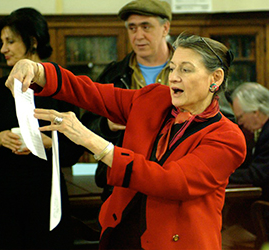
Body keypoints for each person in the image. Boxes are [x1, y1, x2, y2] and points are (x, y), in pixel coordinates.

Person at [5, 33, 246, 250]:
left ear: (215, 78)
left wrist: (93, 141)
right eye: (172, 68)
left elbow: (171, 182)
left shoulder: (227, 136)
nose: (173, 78)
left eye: (186, 70)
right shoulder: (154, 99)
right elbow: (93, 93)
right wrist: (38, 71)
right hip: (122, 236)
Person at [81, 0, 235, 201]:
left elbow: (223, 119)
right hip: (120, 185)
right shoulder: (114, 75)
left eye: (146, 27)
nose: (138, 36)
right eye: (132, 28)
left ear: (165, 28)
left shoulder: (199, 73)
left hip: (175, 183)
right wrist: (107, 125)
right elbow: (87, 125)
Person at [0, 8, 84, 250]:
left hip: (47, 195)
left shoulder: (62, 88)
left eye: (10, 41)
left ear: (32, 41)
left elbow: (76, 151)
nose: (3, 49)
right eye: (2, 42)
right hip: (3, 198)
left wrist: (50, 142)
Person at [222, 82, 269, 249]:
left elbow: (258, 174)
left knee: (221, 240)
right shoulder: (261, 133)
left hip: (263, 213)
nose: (240, 123)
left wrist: (223, 176)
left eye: (240, 117)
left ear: (256, 112)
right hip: (258, 208)